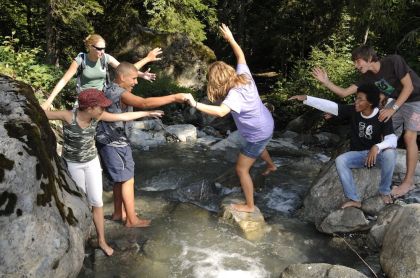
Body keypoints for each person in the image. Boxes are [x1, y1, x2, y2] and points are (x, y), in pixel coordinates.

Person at [42, 88, 163, 255]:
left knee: (97, 202)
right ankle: (81, 240)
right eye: (101, 106)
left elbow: (122, 116)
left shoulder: (97, 116)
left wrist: (147, 113)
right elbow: (42, 114)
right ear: (90, 107)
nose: (104, 109)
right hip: (73, 165)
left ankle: (101, 241)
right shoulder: (67, 116)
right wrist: (46, 103)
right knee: (81, 203)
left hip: (92, 162)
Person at [184, 24, 277, 213]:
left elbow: (220, 112)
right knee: (259, 144)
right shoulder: (244, 75)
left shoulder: (234, 94)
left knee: (241, 169)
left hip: (258, 132)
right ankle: (271, 165)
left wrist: (194, 104)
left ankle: (250, 206)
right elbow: (240, 56)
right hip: (266, 124)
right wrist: (231, 39)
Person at [312, 45, 420, 198]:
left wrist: (392, 108)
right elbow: (344, 93)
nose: (356, 66)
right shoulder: (368, 77)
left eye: (358, 61)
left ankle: (408, 182)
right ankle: (381, 165)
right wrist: (326, 82)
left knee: (409, 137)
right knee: (382, 127)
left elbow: (408, 87)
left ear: (369, 58)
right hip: (396, 101)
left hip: (416, 99)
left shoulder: (394, 61)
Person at [96, 62, 189, 227]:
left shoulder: (109, 86)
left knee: (119, 179)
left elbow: (124, 69)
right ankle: (132, 220)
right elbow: (144, 103)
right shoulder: (120, 93)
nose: (136, 82)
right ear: (122, 78)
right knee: (127, 180)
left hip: (106, 141)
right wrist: (175, 97)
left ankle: (119, 213)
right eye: (133, 79)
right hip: (116, 143)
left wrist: (145, 63)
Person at [290, 84, 397, 208]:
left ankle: (384, 191)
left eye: (360, 99)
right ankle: (354, 199)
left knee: (390, 152)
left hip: (376, 156)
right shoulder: (354, 110)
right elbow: (332, 106)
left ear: (370, 102)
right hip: (359, 155)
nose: (356, 102)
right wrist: (306, 98)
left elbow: (392, 139)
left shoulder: (382, 115)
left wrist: (377, 147)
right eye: (356, 98)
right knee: (340, 160)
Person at [41, 34, 162, 110]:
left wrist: (142, 73)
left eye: (103, 48)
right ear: (90, 47)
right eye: (99, 49)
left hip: (102, 99)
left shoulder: (106, 58)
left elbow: (125, 69)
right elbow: (64, 81)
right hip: (84, 100)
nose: (102, 51)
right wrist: (49, 101)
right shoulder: (80, 60)